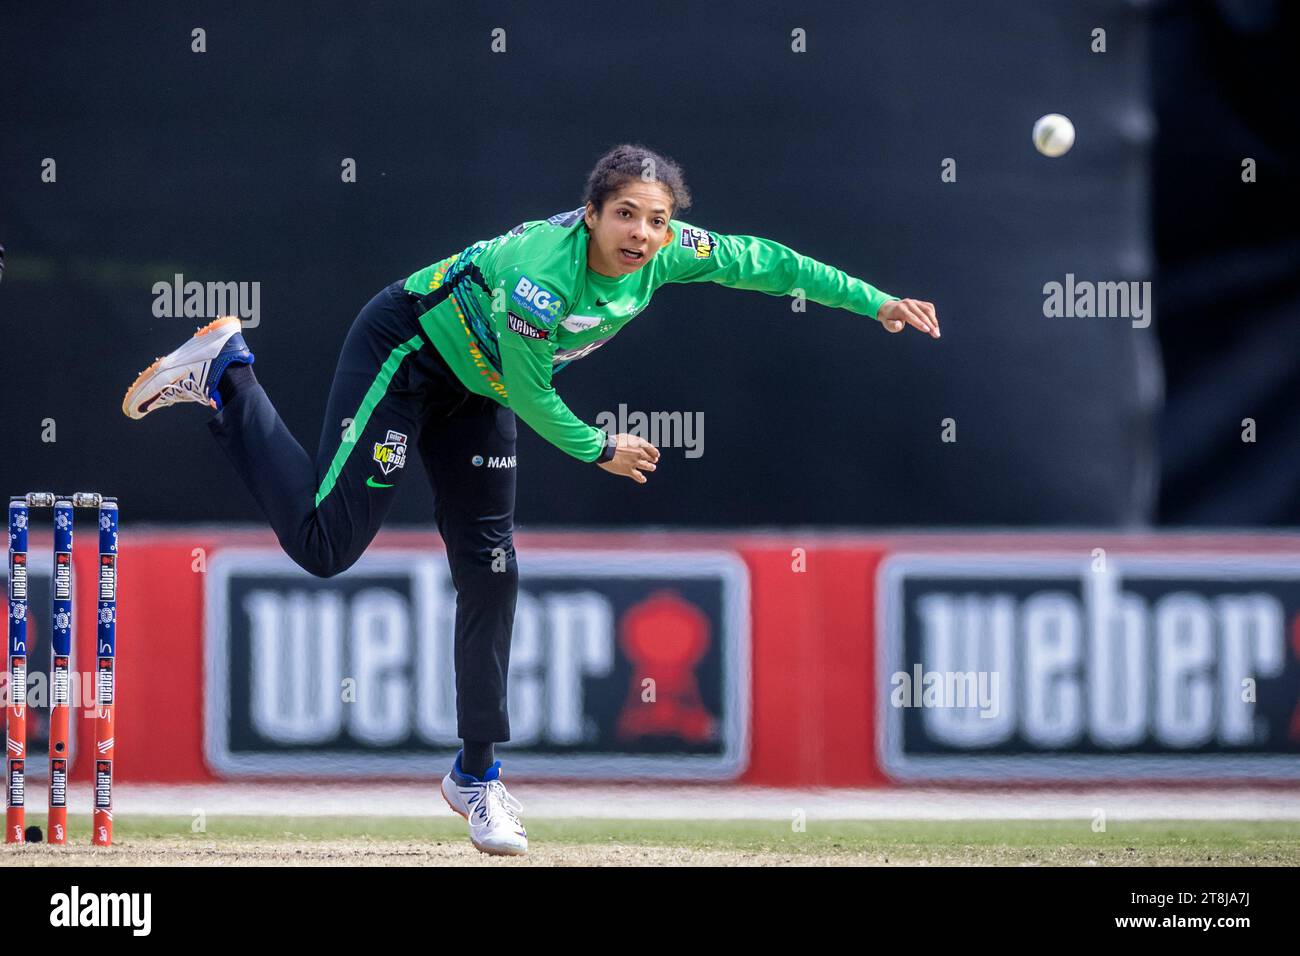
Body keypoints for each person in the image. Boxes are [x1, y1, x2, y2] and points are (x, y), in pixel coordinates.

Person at [121, 144, 940, 856]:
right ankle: (228, 374)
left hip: (477, 389)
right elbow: (532, 391)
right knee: (325, 547)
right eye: (625, 216)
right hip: (408, 355)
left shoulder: (671, 251)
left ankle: (477, 777)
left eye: (655, 220)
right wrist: (600, 446)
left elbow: (769, 263)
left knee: (492, 572)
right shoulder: (541, 277)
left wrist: (877, 301)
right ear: (590, 215)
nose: (641, 237)